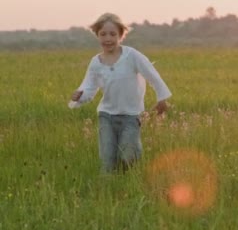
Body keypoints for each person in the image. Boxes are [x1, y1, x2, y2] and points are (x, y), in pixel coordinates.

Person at [69, 12, 172, 173]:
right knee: (107, 159)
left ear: (121, 35)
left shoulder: (132, 56)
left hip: (131, 116)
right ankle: (107, 189)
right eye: (103, 34)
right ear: (97, 35)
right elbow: (89, 87)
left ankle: (127, 178)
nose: (107, 38)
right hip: (106, 116)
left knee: (128, 156)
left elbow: (152, 75)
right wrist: (79, 95)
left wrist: (162, 98)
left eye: (112, 34)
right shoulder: (96, 62)